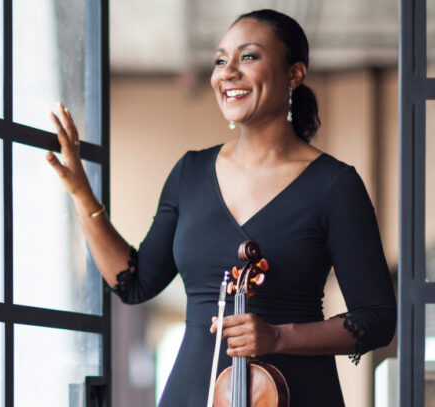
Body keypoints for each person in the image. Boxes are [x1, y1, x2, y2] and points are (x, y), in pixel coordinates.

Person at [45, 9, 396, 407]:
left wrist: (280, 336)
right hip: (195, 392)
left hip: (296, 393)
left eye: (248, 56)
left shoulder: (335, 184)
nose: (226, 72)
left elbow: (377, 319)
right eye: (219, 60)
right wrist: (81, 193)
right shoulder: (190, 173)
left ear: (294, 74)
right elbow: (134, 282)